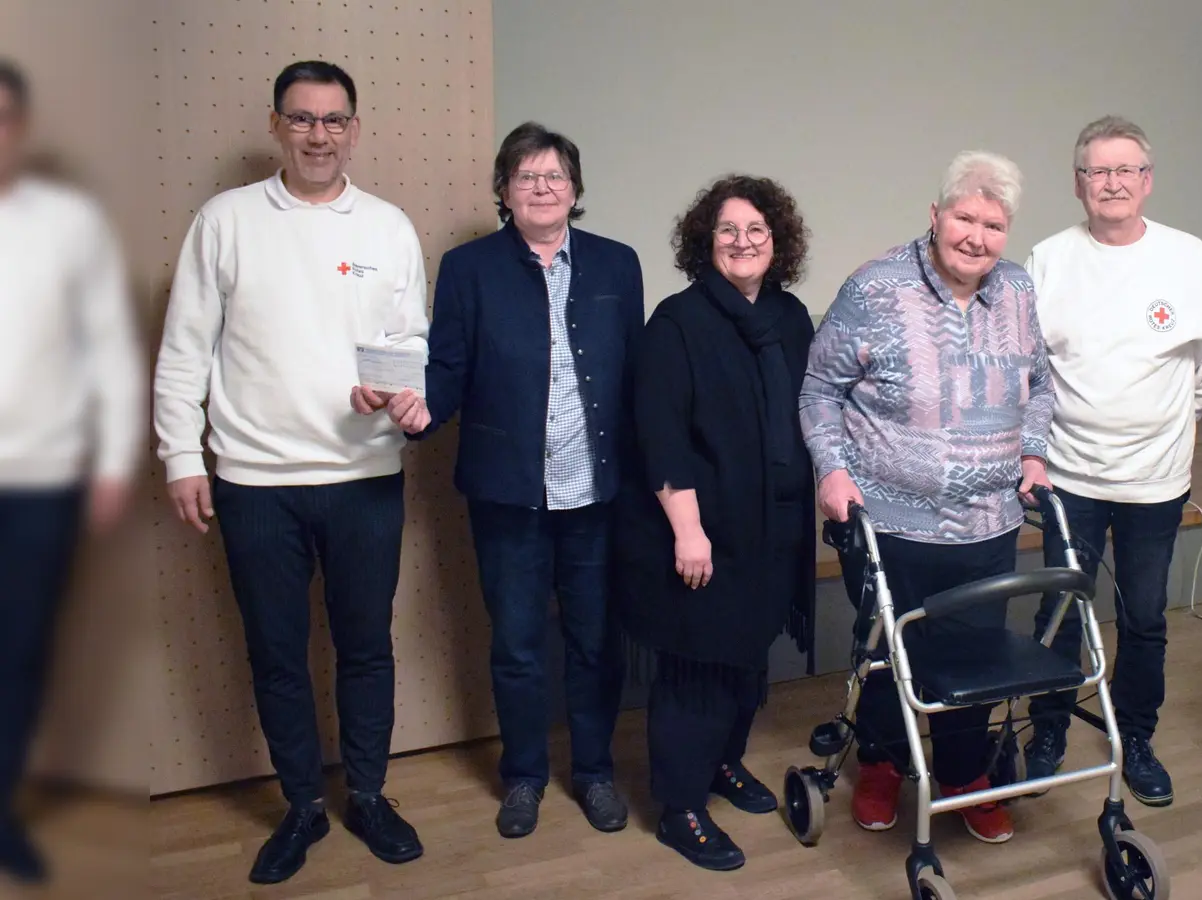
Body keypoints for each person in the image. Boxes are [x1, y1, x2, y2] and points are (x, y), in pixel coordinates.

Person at [152, 61, 428, 884]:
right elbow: (183, 351)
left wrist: (398, 396)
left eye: (334, 120)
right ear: (277, 126)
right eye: (302, 120)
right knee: (276, 654)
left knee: (366, 650)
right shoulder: (226, 221)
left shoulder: (387, 228)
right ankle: (303, 807)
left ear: (355, 128)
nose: (319, 135)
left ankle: (370, 795)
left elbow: (409, 346)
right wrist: (179, 455)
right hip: (253, 482)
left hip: (366, 477)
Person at [395, 122, 641, 839]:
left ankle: (594, 772)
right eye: (526, 177)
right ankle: (526, 776)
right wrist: (418, 414)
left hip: (598, 495)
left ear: (576, 190)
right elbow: (447, 370)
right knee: (519, 644)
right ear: (504, 191)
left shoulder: (617, 265)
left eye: (555, 176)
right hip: (509, 497)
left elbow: (633, 379)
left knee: (597, 642)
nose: (542, 188)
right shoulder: (470, 268)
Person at [801, 150, 1053, 845]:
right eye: (965, 217)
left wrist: (1033, 451)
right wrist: (831, 471)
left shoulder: (1019, 292)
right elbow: (820, 390)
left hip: (989, 524)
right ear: (936, 215)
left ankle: (964, 775)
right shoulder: (876, 287)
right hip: (888, 523)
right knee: (890, 652)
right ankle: (881, 765)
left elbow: (1042, 385)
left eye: (994, 225)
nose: (977, 236)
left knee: (975, 657)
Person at [1020, 115, 1202, 806]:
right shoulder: (1048, 258)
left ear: (1146, 181)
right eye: (1097, 172)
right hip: (1068, 477)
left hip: (1154, 483)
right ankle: (1046, 729)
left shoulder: (1188, 257)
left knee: (1144, 617)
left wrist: (1160, 429)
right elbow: (1028, 368)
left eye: (1124, 171)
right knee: (1057, 611)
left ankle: (1136, 737)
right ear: (1078, 184)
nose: (1111, 183)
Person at [612, 174, 816, 871]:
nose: (742, 241)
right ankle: (680, 807)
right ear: (705, 243)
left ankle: (723, 764)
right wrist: (688, 531)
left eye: (756, 230)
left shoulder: (789, 318)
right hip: (702, 531)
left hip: (772, 530)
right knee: (697, 668)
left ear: (777, 241)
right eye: (727, 231)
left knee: (747, 659)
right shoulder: (678, 323)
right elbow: (660, 437)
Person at [0, 58, 144, 885]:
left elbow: (110, 354)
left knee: (18, 656)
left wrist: (114, 463)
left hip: (42, 482)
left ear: (20, 127)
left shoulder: (67, 224)